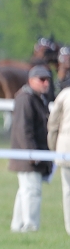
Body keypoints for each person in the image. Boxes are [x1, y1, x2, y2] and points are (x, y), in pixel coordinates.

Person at [9, 64, 53, 233]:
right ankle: (30, 226)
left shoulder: (35, 97)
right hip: (27, 154)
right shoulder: (25, 98)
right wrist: (31, 152)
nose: (46, 83)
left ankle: (18, 225)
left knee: (25, 191)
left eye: (47, 79)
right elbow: (23, 129)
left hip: (30, 153)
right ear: (31, 80)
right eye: (42, 79)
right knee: (32, 191)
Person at [47, 83, 70, 235]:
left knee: (68, 190)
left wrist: (53, 146)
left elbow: (53, 123)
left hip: (66, 149)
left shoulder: (64, 94)